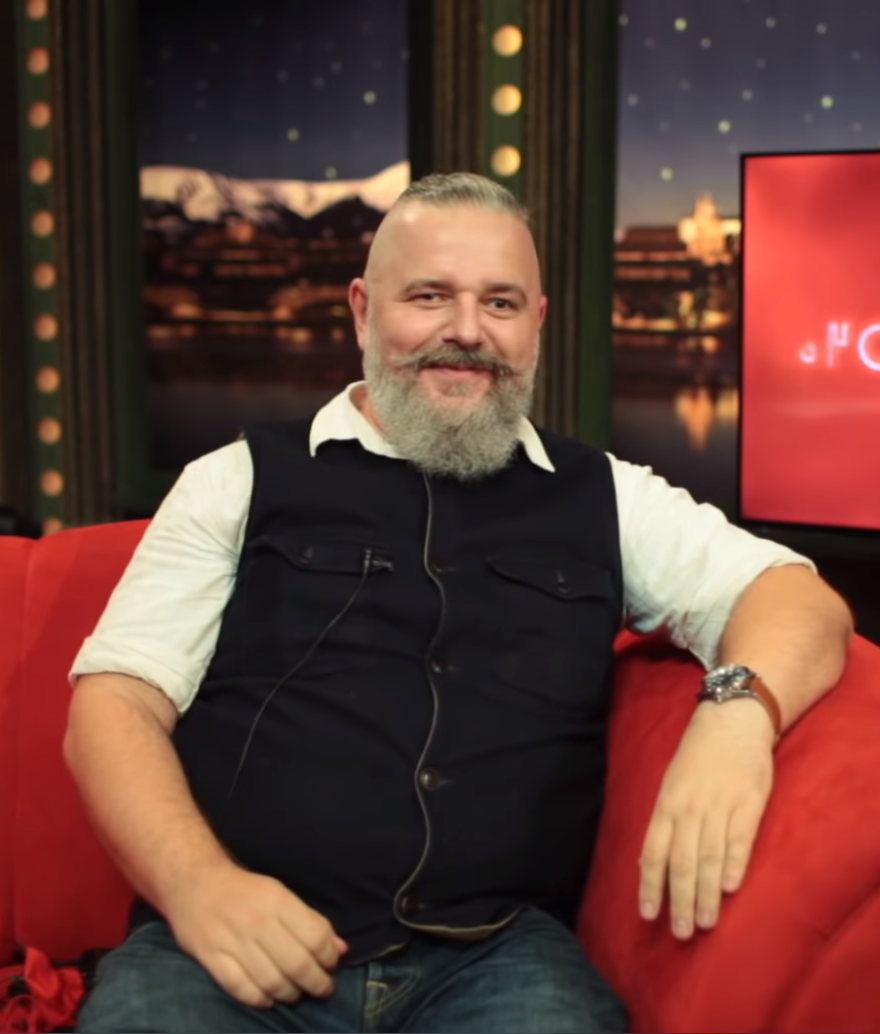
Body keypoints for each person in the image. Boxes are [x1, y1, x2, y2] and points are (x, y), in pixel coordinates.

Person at [65, 172, 852, 1034]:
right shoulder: (235, 479)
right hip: (228, 945)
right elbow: (114, 706)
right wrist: (200, 890)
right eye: (430, 296)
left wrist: (734, 718)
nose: (467, 331)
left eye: (500, 303)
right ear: (362, 310)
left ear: (536, 323)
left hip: (494, 956)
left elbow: (796, 599)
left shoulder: (607, 495)